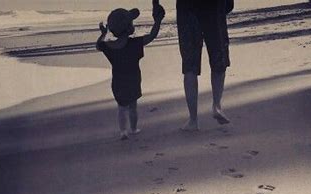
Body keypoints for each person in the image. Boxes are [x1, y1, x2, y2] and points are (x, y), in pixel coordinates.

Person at [96, 5, 165, 140]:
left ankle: (123, 131)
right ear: (128, 27)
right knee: (133, 106)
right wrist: (158, 21)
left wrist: (104, 33)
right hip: (133, 80)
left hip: (118, 81)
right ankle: (133, 129)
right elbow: (152, 36)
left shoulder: (110, 47)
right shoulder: (134, 44)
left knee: (122, 107)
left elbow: (98, 45)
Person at [175, 0, 234, 131]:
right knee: (219, 59)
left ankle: (193, 120)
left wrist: (155, 5)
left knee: (190, 66)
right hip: (214, 7)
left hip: (187, 9)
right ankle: (216, 105)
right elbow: (229, 6)